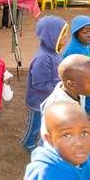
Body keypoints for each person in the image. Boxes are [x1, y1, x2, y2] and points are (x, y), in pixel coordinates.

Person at [23, 102, 90, 180]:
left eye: (84, 133)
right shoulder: (43, 174)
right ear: (50, 139)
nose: (79, 142)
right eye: (66, 135)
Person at [21, 16, 69, 153]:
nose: (66, 38)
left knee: (45, 124)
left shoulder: (56, 53)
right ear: (51, 37)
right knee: (35, 125)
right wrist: (60, 89)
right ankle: (28, 143)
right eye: (62, 35)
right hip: (38, 102)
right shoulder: (42, 59)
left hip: (49, 100)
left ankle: (41, 142)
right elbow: (39, 84)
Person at [39, 54, 90, 144]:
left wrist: (87, 120)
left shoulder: (79, 92)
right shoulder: (56, 106)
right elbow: (50, 135)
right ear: (71, 84)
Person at [63, 15, 90, 113]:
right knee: (77, 109)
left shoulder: (87, 46)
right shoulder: (73, 50)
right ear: (76, 32)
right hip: (79, 86)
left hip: (86, 83)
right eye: (85, 31)